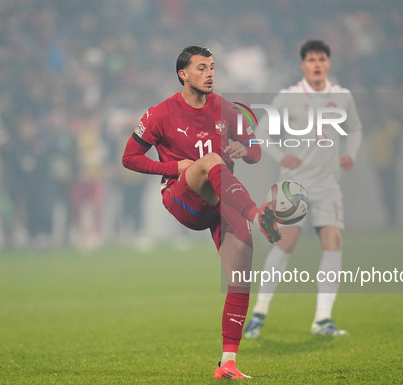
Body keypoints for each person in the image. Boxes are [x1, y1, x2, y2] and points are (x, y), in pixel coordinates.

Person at [122, 46, 281, 380]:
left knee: (239, 278)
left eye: (212, 67)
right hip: (184, 197)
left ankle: (228, 363)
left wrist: (245, 149)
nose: (209, 74)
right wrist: (173, 166)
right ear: (183, 74)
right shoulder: (160, 113)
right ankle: (257, 214)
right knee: (211, 163)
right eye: (201, 68)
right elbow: (129, 158)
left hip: (223, 201)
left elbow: (254, 151)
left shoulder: (226, 109)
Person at [244, 40, 362, 338]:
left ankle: (323, 319)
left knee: (333, 242)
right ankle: (259, 313)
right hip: (295, 188)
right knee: (285, 244)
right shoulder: (288, 97)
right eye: (311, 59)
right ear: (303, 65)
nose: (317, 63)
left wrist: (351, 153)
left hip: (328, 185)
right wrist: (283, 156)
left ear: (329, 62)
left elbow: (356, 129)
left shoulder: (342, 96)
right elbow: (261, 132)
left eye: (321, 58)